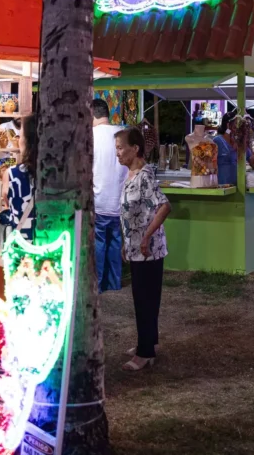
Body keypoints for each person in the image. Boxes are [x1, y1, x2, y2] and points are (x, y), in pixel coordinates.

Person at [115, 126, 171, 372]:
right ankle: (147, 341)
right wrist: (127, 243)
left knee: (144, 300)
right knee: (144, 298)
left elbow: (164, 207)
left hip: (148, 250)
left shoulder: (144, 176)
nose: (117, 154)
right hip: (136, 248)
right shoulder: (130, 175)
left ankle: (145, 353)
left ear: (134, 148)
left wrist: (146, 238)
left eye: (120, 148)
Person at [92, 98, 128, 292]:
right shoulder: (122, 134)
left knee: (99, 244)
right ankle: (114, 284)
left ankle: (97, 285)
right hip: (118, 200)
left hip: (99, 199)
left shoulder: (91, 136)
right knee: (115, 242)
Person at [0, 114, 38, 242]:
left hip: (23, 244)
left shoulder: (12, 174)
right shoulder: (55, 172)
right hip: (51, 244)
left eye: (21, 135)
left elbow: (8, 204)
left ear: (26, 141)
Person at [214, 111, 254, 185]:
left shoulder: (241, 143)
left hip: (238, 186)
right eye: (237, 124)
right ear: (228, 125)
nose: (240, 127)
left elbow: (253, 161)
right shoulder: (217, 141)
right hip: (222, 185)